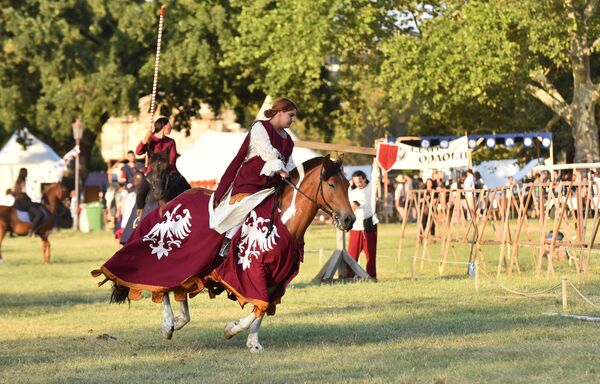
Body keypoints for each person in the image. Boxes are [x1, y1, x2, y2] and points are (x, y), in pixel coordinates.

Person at [209, 98, 297, 257]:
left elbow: (289, 162)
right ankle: (227, 242)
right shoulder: (260, 127)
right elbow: (267, 152)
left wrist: (292, 176)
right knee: (245, 207)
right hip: (251, 183)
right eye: (290, 115)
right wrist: (281, 170)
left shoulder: (288, 139)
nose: (293, 119)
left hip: (273, 186)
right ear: (280, 112)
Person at [134, 117, 191, 219]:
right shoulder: (150, 139)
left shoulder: (171, 142)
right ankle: (139, 215)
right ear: (164, 126)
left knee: (186, 186)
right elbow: (138, 152)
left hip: (168, 171)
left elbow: (172, 161)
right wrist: (145, 139)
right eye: (169, 125)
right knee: (141, 190)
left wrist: (166, 170)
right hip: (152, 172)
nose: (171, 127)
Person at [347, 164, 380, 279]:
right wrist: (353, 207)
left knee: (370, 253)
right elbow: (348, 208)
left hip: (369, 225)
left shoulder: (370, 188)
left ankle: (371, 275)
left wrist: (375, 166)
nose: (358, 184)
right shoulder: (352, 192)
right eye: (356, 182)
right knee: (352, 254)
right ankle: (349, 275)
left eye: (360, 182)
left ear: (364, 179)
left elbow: (376, 177)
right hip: (356, 226)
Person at [12, 168, 43, 236]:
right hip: (24, 202)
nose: (27, 174)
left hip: (21, 201)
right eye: (26, 173)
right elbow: (23, 193)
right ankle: (31, 230)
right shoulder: (22, 182)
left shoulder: (18, 182)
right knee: (39, 214)